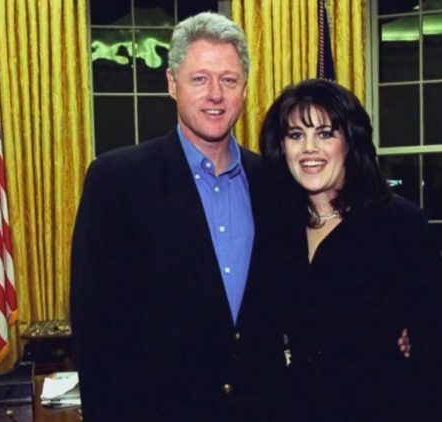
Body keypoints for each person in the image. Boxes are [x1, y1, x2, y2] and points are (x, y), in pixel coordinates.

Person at [70, 12, 286, 421]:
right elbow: (94, 330)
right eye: (200, 78)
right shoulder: (116, 180)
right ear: (172, 84)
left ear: (244, 88)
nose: (215, 95)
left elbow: (304, 289)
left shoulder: (273, 182)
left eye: (229, 80)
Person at [261, 79, 442, 420]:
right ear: (282, 147)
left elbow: (434, 357)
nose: (309, 148)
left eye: (325, 133)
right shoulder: (273, 228)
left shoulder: (400, 224)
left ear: (350, 142)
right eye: (295, 135)